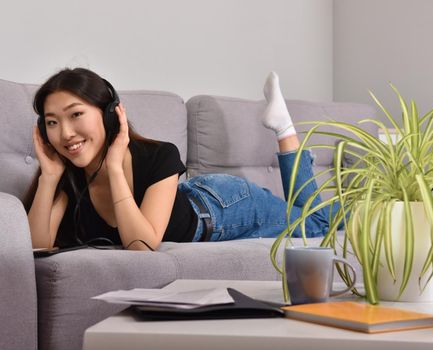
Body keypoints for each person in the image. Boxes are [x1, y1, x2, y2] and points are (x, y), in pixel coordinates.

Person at [26, 68, 330, 251]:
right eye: (52, 122)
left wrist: (115, 169)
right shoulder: (68, 179)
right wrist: (49, 179)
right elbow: (37, 247)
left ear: (109, 114)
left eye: (76, 114)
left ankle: (285, 128)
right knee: (318, 217)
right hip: (196, 198)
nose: (65, 133)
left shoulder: (159, 155)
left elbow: (142, 245)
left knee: (317, 222)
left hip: (224, 206)